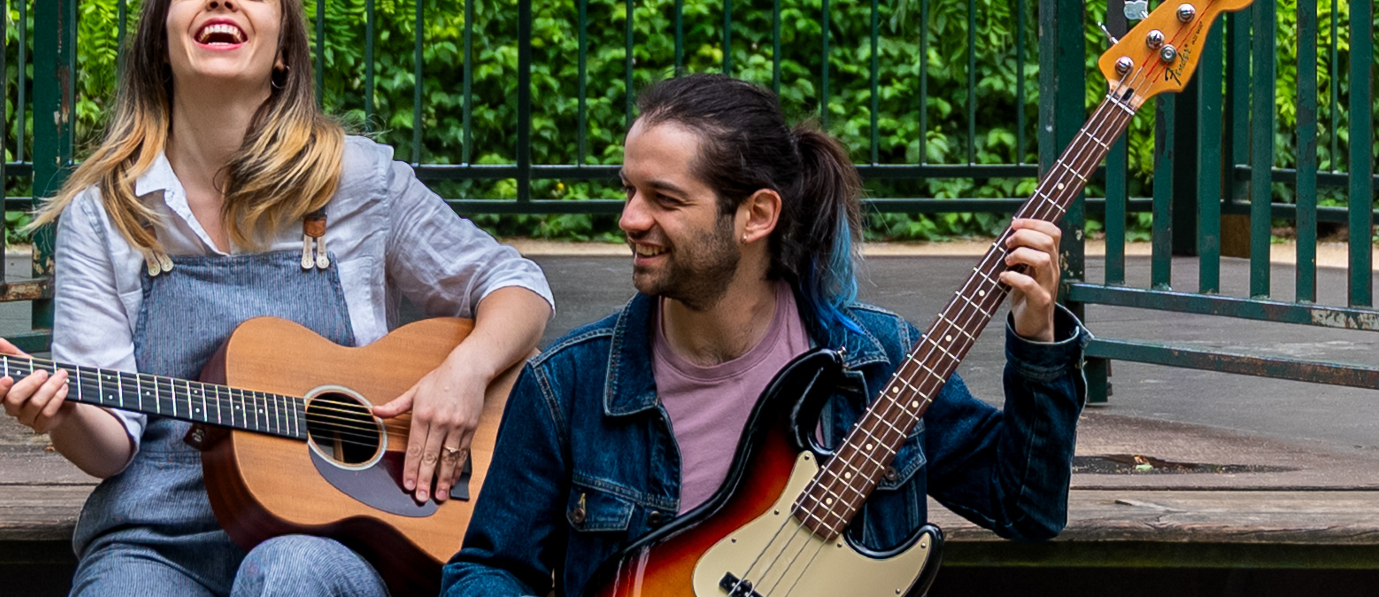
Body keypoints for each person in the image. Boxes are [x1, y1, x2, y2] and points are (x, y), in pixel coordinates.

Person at [0, 0, 555, 597]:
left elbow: (517, 286)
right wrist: (61, 417)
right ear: (160, 46)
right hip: (158, 538)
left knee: (288, 574)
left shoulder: (358, 182)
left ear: (282, 53)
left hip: (330, 543)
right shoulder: (105, 211)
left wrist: (464, 373)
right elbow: (110, 445)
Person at [440, 74, 1089, 596]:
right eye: (628, 190)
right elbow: (488, 569)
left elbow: (1025, 508)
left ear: (757, 215)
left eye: (664, 198)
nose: (629, 218)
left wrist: (1037, 336)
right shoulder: (568, 386)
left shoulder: (881, 364)